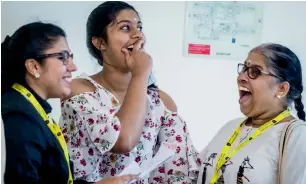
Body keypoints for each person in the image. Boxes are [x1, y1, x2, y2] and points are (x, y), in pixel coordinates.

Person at [59, 1, 200, 183]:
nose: (138, 35)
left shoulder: (160, 102)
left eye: (139, 27)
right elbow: (123, 140)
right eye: (126, 27)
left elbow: (178, 170)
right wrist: (141, 74)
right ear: (100, 42)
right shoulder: (79, 91)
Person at [1, 21, 136, 184]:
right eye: (63, 57)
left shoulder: (29, 109)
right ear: (34, 66)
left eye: (70, 57)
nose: (73, 67)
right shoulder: (18, 116)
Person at [196, 43, 306, 184]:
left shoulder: (297, 135)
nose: (241, 77)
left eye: (255, 71)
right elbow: (196, 171)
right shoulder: (231, 126)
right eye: (244, 69)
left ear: (282, 89)